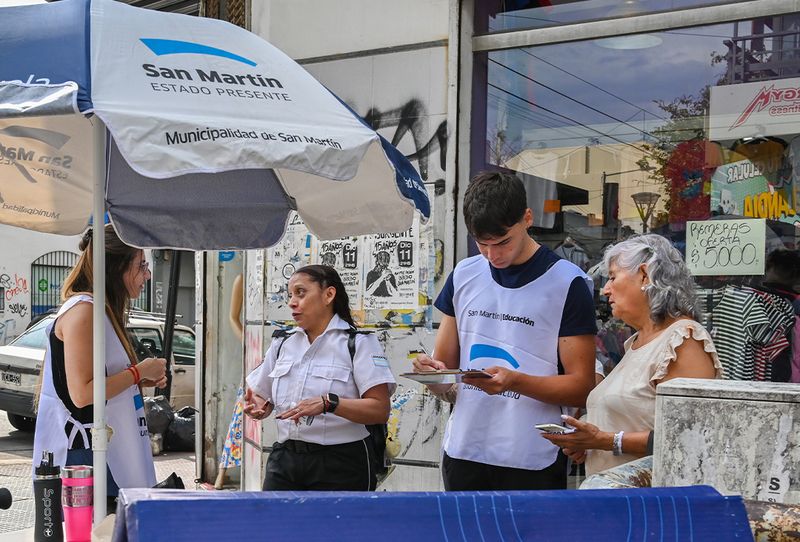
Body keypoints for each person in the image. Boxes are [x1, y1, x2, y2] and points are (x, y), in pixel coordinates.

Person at [413, 171, 598, 491]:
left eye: (502, 242)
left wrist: (516, 382)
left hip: (531, 456)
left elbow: (581, 387)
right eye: (481, 244)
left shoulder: (568, 283)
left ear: (527, 218)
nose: (492, 255)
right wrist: (430, 373)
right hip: (465, 452)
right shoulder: (464, 274)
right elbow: (445, 374)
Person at [542, 234, 721, 476]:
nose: (605, 290)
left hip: (649, 504)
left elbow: (690, 436)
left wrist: (605, 441)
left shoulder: (684, 339)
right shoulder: (637, 342)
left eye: (613, 277)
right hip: (616, 498)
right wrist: (588, 443)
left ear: (645, 275)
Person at [33, 225, 167, 508]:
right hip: (88, 456)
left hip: (100, 454)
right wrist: (139, 372)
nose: (147, 274)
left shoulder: (98, 310)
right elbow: (82, 394)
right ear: (115, 267)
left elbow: (94, 381)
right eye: (141, 265)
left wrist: (139, 379)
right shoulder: (84, 310)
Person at [244, 264, 395, 490]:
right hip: (285, 461)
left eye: (301, 293)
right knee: (276, 525)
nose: (292, 302)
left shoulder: (358, 343)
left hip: (342, 463)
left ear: (329, 294)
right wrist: (257, 406)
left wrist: (329, 404)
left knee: (338, 526)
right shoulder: (282, 343)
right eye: (290, 295)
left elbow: (380, 410)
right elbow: (260, 395)